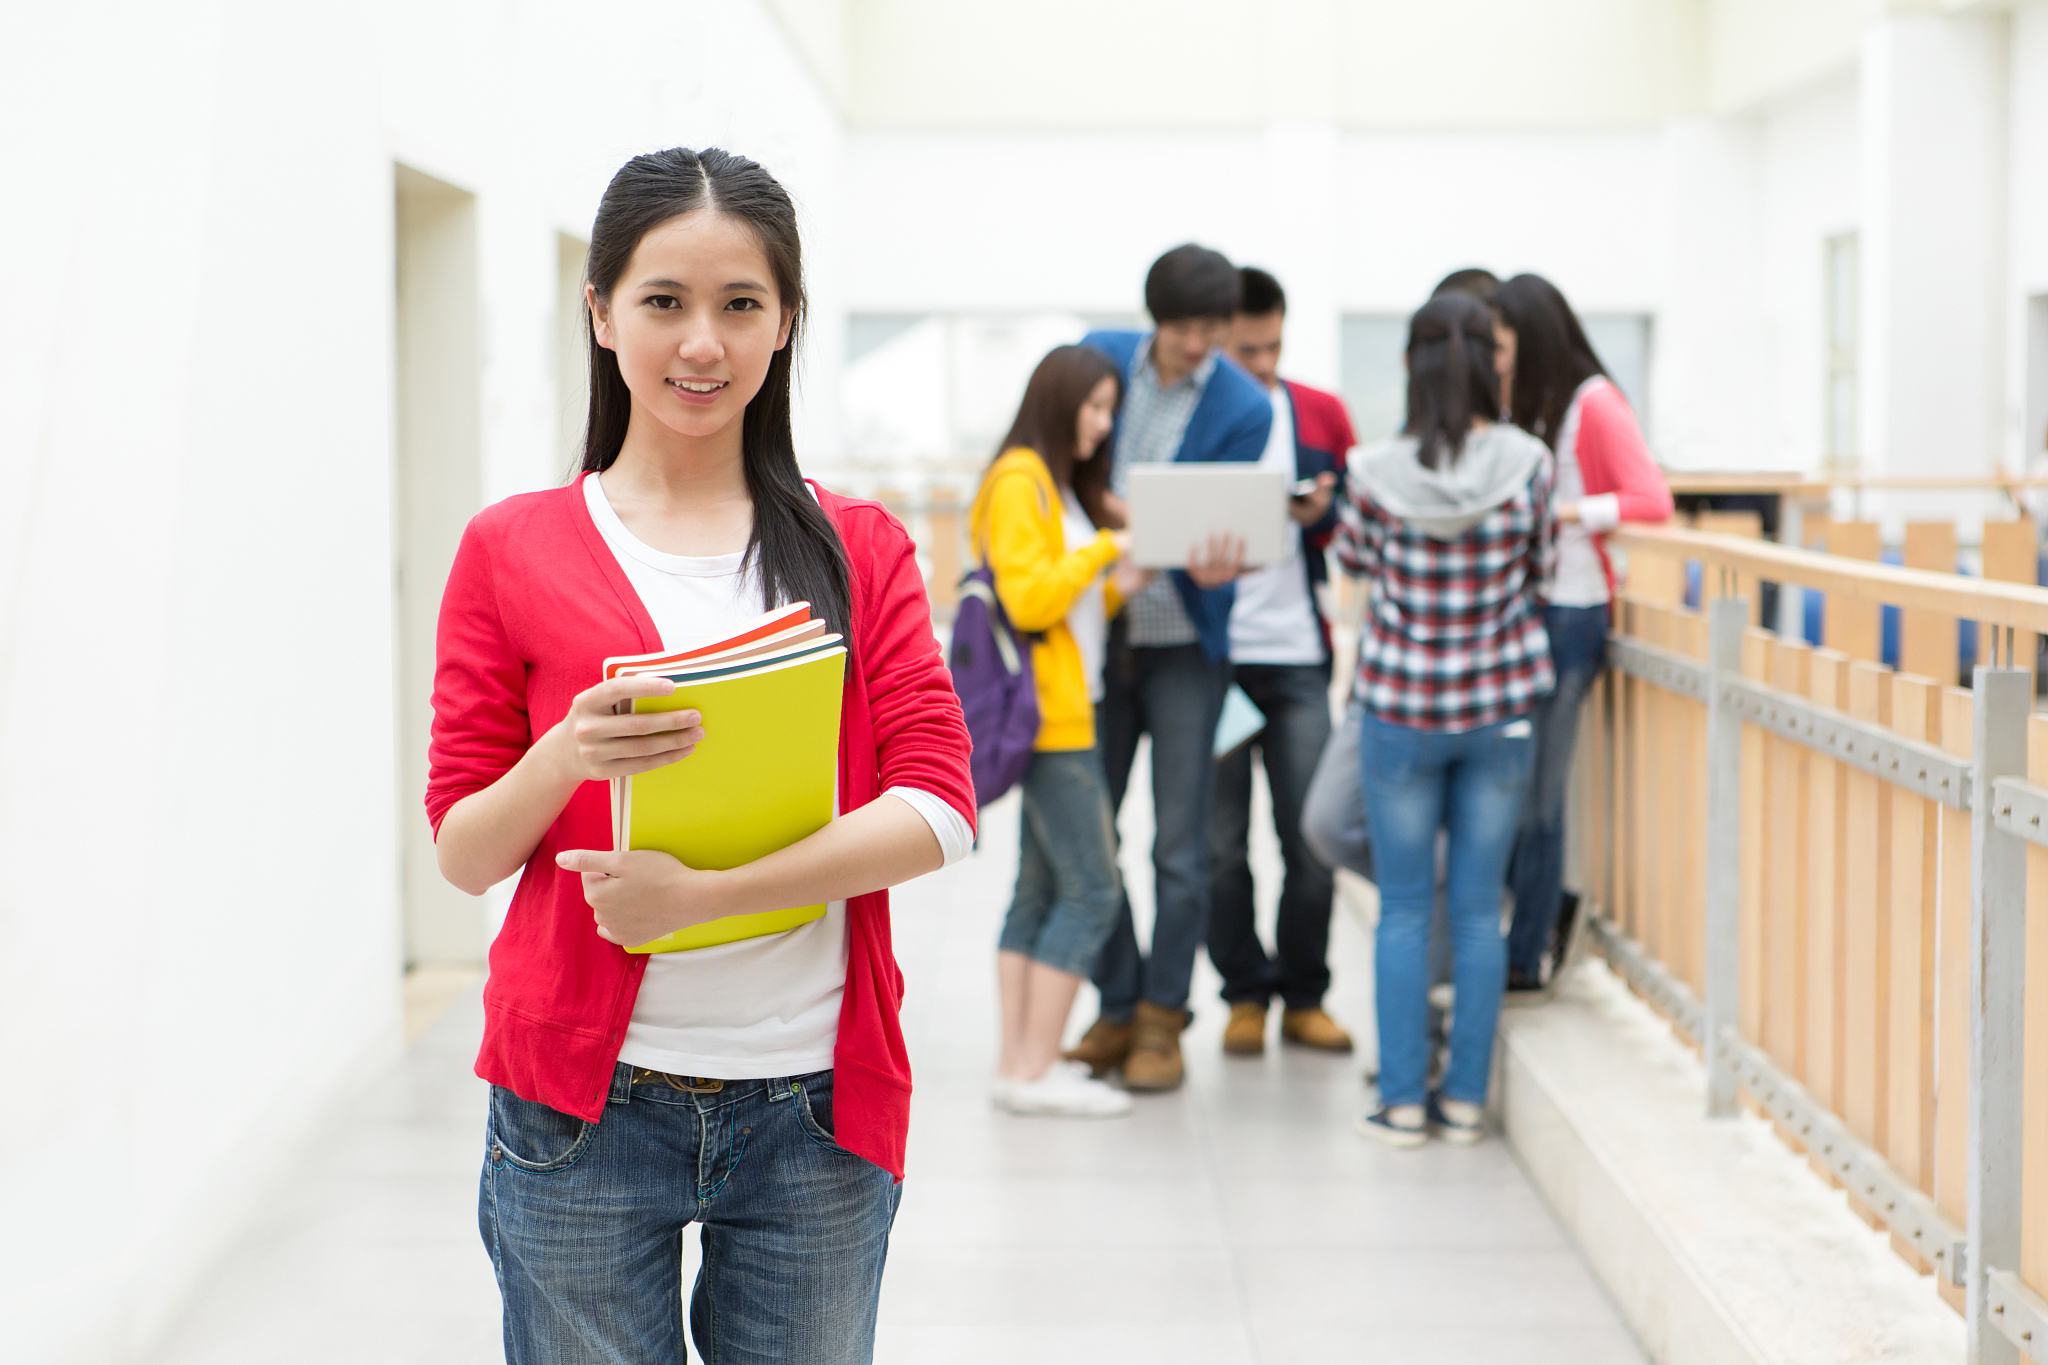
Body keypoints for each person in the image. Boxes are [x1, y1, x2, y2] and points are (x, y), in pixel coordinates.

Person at [427, 147, 975, 1364]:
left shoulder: (857, 545)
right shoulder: (509, 549)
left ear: (784, 324)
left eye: (740, 305)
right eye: (664, 301)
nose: (701, 344)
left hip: (816, 1102)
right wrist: (567, 753)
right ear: (600, 310)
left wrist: (708, 899)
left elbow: (940, 805)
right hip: (582, 1104)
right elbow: (465, 852)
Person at [1334, 291, 1555, 1148]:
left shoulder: (1370, 470)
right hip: (1500, 708)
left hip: (1400, 709)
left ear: (1410, 367)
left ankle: (1400, 1102)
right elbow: (1542, 563)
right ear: (1491, 365)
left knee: (1401, 908)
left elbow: (1352, 559)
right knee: (1474, 912)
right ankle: (1464, 1100)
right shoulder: (1529, 462)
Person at [1062, 244, 1271, 1092]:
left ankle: (1162, 1017)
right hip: (1099, 635)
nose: (1200, 345)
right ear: (1157, 320)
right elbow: (1061, 469)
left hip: (1187, 639)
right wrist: (1122, 521)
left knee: (1181, 845)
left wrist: (1219, 559)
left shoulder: (1243, 404)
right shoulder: (1101, 359)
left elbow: (1229, 515)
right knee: (1095, 832)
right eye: (1187, 328)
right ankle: (1116, 1005)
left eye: (1214, 331)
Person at [973, 344, 1148, 1118]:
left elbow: (1063, 614)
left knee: (1040, 887)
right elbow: (1030, 601)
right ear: (1060, 399)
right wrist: (1109, 547)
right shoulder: (1022, 479)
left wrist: (1116, 587)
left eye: (1112, 408)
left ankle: (1019, 1064)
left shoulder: (1042, 481)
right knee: (1092, 888)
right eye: (1096, 406)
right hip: (1053, 719)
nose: (1103, 423)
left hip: (1060, 701)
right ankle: (1037, 1066)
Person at [1489, 273, 1673, 993]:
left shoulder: (1593, 401)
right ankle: (1532, 922)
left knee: (1540, 794)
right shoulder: (1535, 404)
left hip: (1573, 612)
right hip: (1533, 608)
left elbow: (1649, 498)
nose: (1497, 361)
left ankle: (1526, 951)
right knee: (1517, 787)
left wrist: (1567, 513)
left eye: (1504, 346)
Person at [1208, 266, 1357, 1057]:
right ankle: (1244, 994)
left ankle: (1305, 993)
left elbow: (1357, 524)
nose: (1262, 365)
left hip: (1299, 654)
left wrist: (1323, 513)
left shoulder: (1322, 412)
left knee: (1312, 837)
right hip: (1220, 661)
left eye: (1272, 347)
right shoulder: (1201, 414)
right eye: (1246, 349)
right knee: (1220, 844)